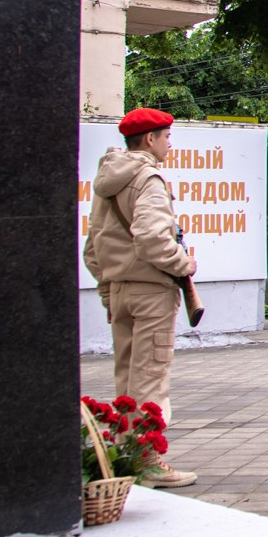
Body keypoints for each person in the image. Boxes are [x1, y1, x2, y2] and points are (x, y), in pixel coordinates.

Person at [84, 107, 199, 489]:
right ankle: (147, 460)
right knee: (150, 377)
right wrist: (184, 264)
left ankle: (125, 456)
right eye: (166, 136)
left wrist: (108, 290)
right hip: (151, 291)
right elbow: (151, 237)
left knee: (127, 379)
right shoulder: (148, 177)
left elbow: (92, 249)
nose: (169, 143)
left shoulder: (108, 181)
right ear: (149, 139)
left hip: (119, 291)